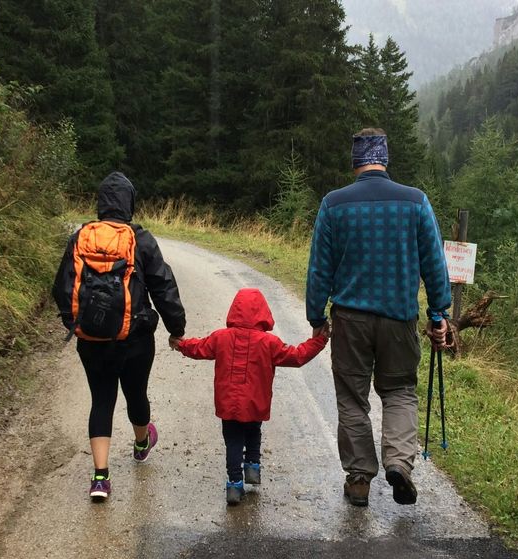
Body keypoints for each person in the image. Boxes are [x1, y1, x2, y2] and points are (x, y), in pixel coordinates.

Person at [305, 128, 455, 508]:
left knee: (352, 398)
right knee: (400, 390)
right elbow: (435, 266)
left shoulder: (333, 205)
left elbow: (319, 270)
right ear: (384, 158)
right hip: (399, 319)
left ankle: (358, 479)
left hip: (351, 320)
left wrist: (315, 316)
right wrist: (439, 313)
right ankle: (399, 464)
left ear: (355, 161)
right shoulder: (416, 202)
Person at [53, 172, 186, 502]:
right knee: (136, 394)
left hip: (92, 341)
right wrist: (176, 329)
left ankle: (100, 477)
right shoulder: (140, 239)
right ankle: (142, 443)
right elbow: (163, 286)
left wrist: (77, 323)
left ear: (100, 203)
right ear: (130, 203)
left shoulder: (81, 237)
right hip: (135, 339)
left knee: (101, 400)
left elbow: (62, 288)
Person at [174, 288, 328, 506]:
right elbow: (297, 356)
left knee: (233, 440)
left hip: (228, 403)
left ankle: (235, 484)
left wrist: (181, 344)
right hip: (256, 402)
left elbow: (199, 348)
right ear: (263, 313)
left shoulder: (221, 338)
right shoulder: (269, 342)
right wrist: (319, 341)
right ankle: (253, 467)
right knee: (253, 431)